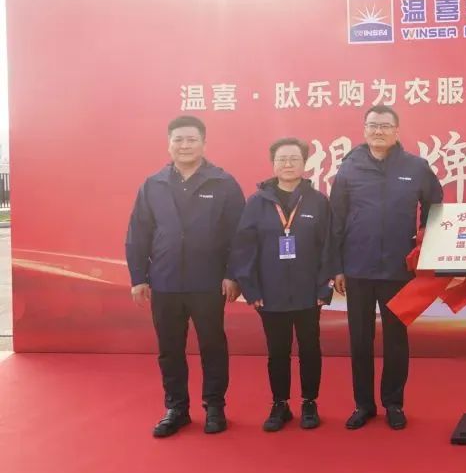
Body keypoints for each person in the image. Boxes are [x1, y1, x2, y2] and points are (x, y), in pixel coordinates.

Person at [125, 115, 245, 437]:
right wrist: (139, 277)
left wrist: (233, 275)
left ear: (204, 143)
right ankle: (176, 408)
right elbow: (138, 233)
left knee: (212, 345)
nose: (185, 145)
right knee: (169, 349)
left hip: (208, 282)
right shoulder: (153, 185)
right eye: (178, 139)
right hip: (164, 282)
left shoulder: (223, 183)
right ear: (169, 144)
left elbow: (239, 235)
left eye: (191, 139)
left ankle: (215, 406)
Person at [328, 106, 444, 430]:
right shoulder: (349, 167)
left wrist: (424, 243)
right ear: (364, 129)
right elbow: (336, 218)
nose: (378, 131)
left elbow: (435, 206)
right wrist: (337, 266)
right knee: (359, 340)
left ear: (397, 130)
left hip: (398, 267)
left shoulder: (415, 167)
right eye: (373, 125)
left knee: (396, 339)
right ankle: (363, 405)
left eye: (385, 126)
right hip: (358, 267)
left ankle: (394, 402)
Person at [231, 138, 333, 432]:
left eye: (294, 159)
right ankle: (280, 404)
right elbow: (244, 248)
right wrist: (251, 290)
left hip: (308, 293)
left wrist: (323, 288)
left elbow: (328, 247)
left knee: (310, 348)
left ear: (305, 163)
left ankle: (310, 402)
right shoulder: (257, 202)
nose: (288, 164)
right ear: (273, 164)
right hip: (270, 293)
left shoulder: (318, 201)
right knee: (277, 351)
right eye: (282, 159)